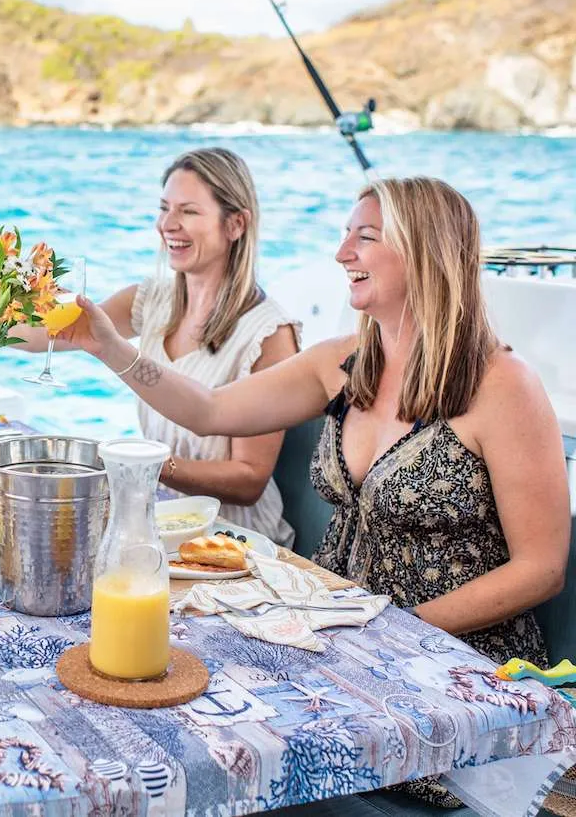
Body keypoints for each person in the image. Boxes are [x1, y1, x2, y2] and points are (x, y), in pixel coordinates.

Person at [66, 177, 570, 807]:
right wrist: (110, 349)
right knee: (157, 714)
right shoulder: (344, 361)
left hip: (447, 670)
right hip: (335, 640)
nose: (341, 253)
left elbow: (541, 568)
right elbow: (208, 410)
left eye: (365, 237)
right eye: (344, 235)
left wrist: (395, 630)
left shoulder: (503, 384)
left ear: (426, 252)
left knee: (234, 753)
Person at [15, 148, 300, 546]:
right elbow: (38, 338)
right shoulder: (151, 300)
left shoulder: (268, 334)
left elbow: (249, 480)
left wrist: (145, 465)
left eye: (188, 211)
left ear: (236, 224)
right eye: (164, 208)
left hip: (236, 541)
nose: (167, 224)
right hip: (160, 521)